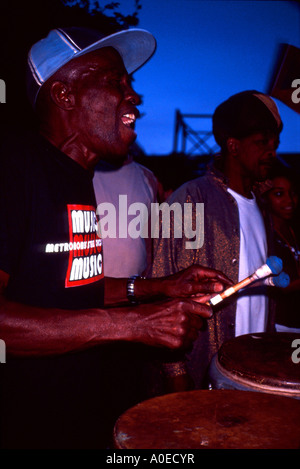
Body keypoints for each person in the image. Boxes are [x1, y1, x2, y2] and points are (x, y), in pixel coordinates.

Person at [0, 27, 230, 449]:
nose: (134, 97)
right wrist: (132, 323)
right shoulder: (12, 168)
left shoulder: (75, 176)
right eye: (114, 81)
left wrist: (159, 288)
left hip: (80, 406)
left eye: (130, 84)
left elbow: (67, 290)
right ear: (64, 95)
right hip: (25, 422)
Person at [151, 90, 283, 388]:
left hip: (255, 370)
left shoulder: (263, 205)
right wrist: (176, 376)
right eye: (262, 143)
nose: (271, 152)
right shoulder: (190, 200)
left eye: (274, 144)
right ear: (233, 146)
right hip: (206, 374)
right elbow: (164, 292)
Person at [93, 151, 158, 277]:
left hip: (136, 286)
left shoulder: (147, 177)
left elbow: (150, 238)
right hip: (94, 287)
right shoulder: (86, 171)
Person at [262, 162, 300, 332]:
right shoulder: (264, 235)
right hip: (280, 325)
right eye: (279, 194)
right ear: (265, 198)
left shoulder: (294, 228)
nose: (289, 200)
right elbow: (276, 287)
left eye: (293, 193)